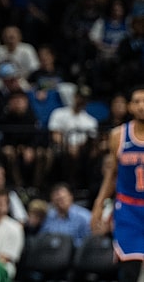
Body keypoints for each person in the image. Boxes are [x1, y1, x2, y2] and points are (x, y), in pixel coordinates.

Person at [91, 85, 144, 282]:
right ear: (130, 107)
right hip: (128, 209)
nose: (141, 106)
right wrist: (98, 205)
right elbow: (111, 175)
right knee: (129, 269)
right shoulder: (118, 135)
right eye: (137, 102)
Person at [39, 182, 91, 247]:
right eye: (57, 200)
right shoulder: (49, 216)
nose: (59, 203)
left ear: (70, 197)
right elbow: (42, 238)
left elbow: (89, 241)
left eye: (62, 199)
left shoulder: (84, 216)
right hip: (52, 252)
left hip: (75, 253)